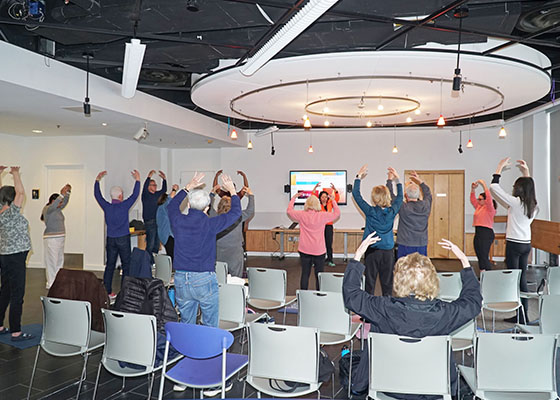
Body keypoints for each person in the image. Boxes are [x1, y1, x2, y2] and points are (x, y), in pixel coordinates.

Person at [343, 233, 482, 398]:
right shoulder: (445, 313)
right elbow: (473, 302)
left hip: (387, 385)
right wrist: (465, 263)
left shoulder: (382, 308)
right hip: (433, 389)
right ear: (433, 280)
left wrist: (358, 256)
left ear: (398, 280)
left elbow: (351, 295)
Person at [167, 172, 240, 328]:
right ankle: (207, 345)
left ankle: (188, 344)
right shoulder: (210, 224)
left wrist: (187, 187)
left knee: (187, 323)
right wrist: (232, 191)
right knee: (209, 324)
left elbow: (171, 206)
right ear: (207, 208)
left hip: (180, 278)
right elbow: (235, 213)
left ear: (188, 205)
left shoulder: (178, 220)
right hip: (204, 278)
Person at [490, 158, 538, 323]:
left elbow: (494, 187)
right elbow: (530, 187)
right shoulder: (533, 205)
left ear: (518, 189)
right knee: (522, 279)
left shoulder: (516, 203)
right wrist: (526, 172)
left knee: (514, 280)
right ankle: (523, 315)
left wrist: (499, 167)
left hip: (514, 244)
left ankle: (519, 315)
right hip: (526, 244)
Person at [353, 165, 403, 295]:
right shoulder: (392, 211)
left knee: (370, 283)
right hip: (387, 252)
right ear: (387, 197)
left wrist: (358, 177)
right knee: (387, 283)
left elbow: (356, 195)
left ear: (374, 198)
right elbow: (400, 197)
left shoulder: (370, 211)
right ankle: (386, 305)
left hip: (372, 251)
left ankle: (368, 306)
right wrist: (397, 180)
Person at [94, 169, 140, 298]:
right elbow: (135, 195)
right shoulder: (124, 206)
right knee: (126, 265)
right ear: (120, 196)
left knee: (110, 265)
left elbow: (97, 195)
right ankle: (125, 292)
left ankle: (107, 292)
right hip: (123, 239)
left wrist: (97, 181)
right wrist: (137, 180)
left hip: (111, 239)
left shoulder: (107, 206)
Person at [0, 166, 34, 341]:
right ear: (12, 199)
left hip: (4, 256)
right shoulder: (12, 212)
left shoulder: (0, 210)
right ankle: (16, 331)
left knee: (5, 291)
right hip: (15, 257)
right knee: (17, 294)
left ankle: (0, 325)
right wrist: (15, 174)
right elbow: (20, 193)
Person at [287, 191, 340, 290]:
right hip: (319, 250)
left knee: (305, 273)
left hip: (304, 249)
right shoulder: (323, 215)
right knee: (319, 275)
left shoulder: (301, 215)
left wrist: (293, 198)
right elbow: (337, 213)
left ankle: (303, 295)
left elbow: (289, 211)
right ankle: (319, 295)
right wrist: (333, 201)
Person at [209, 184, 255, 278]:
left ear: (219, 206)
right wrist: (251, 195)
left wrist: (212, 194)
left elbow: (208, 207)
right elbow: (250, 210)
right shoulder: (238, 216)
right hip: (235, 252)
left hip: (218, 251)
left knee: (220, 276)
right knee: (236, 278)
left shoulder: (215, 217)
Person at [388, 170, 432, 258]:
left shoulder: (403, 207)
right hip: (421, 244)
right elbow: (428, 193)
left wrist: (390, 180)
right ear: (418, 195)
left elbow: (391, 195)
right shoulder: (426, 205)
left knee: (403, 266)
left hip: (405, 244)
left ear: (406, 196)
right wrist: (420, 181)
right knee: (420, 266)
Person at [41, 183, 71, 289]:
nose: (61, 203)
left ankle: (58, 281)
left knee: (59, 261)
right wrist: (61, 194)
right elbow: (54, 205)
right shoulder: (47, 209)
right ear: (53, 201)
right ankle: (51, 283)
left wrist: (68, 192)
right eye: (59, 201)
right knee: (52, 262)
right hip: (51, 239)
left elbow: (65, 202)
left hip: (60, 238)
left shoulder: (58, 210)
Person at [470, 179, 497, 271]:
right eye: (478, 199)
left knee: (484, 256)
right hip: (478, 233)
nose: (478, 200)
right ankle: (482, 275)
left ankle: (488, 275)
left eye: (480, 199)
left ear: (485, 200)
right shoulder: (479, 207)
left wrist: (483, 184)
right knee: (480, 256)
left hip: (486, 234)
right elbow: (472, 200)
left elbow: (489, 197)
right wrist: (473, 189)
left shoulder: (490, 209)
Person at [312, 182, 340, 267]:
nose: (324, 198)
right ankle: (317, 260)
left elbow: (337, 198)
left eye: (325, 197)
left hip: (328, 226)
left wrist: (335, 190)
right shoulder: (317, 205)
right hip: (319, 227)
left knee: (328, 244)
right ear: (320, 198)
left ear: (327, 197)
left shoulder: (330, 203)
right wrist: (315, 188)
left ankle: (330, 260)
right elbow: (312, 197)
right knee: (318, 244)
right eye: (322, 197)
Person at [142, 170, 167, 262]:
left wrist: (164, 179)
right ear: (148, 187)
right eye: (153, 185)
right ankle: (147, 263)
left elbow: (164, 190)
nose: (155, 186)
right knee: (150, 244)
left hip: (157, 221)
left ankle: (154, 262)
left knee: (156, 244)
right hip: (150, 222)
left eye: (155, 185)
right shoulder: (146, 195)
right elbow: (144, 188)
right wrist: (148, 177)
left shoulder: (157, 195)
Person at [156, 184, 179, 262]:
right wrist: (174, 190)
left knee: (172, 255)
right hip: (167, 236)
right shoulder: (163, 207)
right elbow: (169, 199)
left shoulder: (161, 209)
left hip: (165, 236)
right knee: (173, 256)